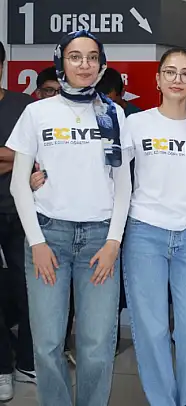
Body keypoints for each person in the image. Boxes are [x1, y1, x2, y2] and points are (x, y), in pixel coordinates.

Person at [6, 30, 132, 406]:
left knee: (97, 345)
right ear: (61, 62)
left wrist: (113, 242)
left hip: (99, 241)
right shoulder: (37, 112)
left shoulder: (113, 113)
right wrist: (37, 243)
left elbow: (123, 185)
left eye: (92, 57)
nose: (84, 64)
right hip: (49, 238)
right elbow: (18, 184)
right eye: (75, 57)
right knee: (47, 344)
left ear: (101, 64)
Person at [121, 47, 186, 406]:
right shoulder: (136, 124)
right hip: (145, 233)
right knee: (153, 330)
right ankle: (163, 401)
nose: (178, 79)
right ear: (158, 80)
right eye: (171, 72)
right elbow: (117, 180)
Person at [0, 40, 36, 402]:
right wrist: (11, 157)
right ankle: (1, 367)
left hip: (20, 209)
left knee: (29, 289)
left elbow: (29, 154)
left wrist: (16, 157)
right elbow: (15, 156)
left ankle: (27, 361)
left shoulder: (23, 106)